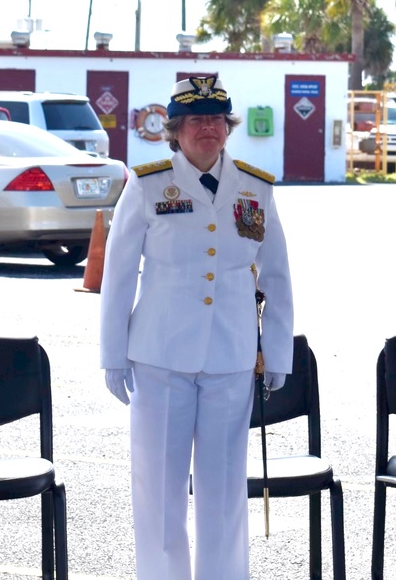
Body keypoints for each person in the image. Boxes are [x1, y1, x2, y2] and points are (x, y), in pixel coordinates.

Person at [99, 76, 294, 580]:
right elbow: (117, 277)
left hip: (229, 358)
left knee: (225, 492)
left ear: (227, 128)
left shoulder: (255, 188)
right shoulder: (145, 185)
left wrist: (276, 352)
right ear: (176, 130)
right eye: (196, 120)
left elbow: (276, 277)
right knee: (159, 492)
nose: (207, 128)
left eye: (216, 119)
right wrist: (113, 354)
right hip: (159, 357)